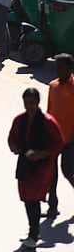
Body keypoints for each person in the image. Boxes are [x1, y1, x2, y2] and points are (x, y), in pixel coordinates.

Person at [10, 87, 65, 247]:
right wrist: (15, 147)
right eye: (27, 103)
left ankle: (33, 235)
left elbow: (59, 143)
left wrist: (42, 154)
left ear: (38, 102)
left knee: (33, 198)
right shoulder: (19, 120)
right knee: (26, 198)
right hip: (24, 163)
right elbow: (12, 138)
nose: (29, 107)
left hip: (42, 166)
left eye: (32, 103)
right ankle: (33, 231)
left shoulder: (48, 122)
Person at [48, 53, 74, 218]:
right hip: (54, 137)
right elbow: (49, 111)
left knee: (67, 170)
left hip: (71, 138)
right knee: (51, 173)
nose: (58, 71)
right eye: (56, 67)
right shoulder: (53, 86)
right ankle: (52, 206)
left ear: (69, 69)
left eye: (61, 68)